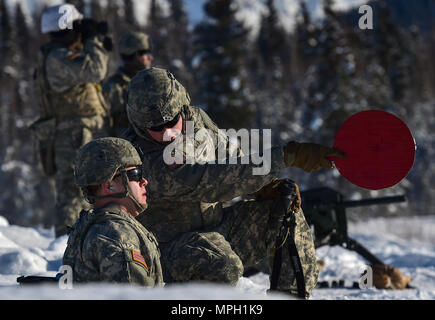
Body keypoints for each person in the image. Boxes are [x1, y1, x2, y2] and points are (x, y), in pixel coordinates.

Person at [122, 67, 347, 299]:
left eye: (172, 121)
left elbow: (232, 158)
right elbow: (210, 181)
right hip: (168, 253)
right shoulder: (138, 156)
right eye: (156, 128)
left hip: (217, 229)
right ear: (139, 125)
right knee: (221, 263)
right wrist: (285, 157)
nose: (168, 132)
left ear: (182, 106)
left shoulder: (197, 121)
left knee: (284, 208)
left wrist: (264, 187)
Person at [32, 4, 111, 237]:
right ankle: (65, 248)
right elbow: (96, 70)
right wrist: (92, 39)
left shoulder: (60, 55)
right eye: (78, 26)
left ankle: (82, 246)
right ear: (69, 28)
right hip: (72, 134)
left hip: (78, 131)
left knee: (87, 193)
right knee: (73, 193)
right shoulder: (58, 58)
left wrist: (95, 41)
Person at [62, 137, 163, 286]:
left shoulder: (90, 226)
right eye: (135, 174)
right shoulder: (117, 234)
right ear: (109, 185)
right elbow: (131, 296)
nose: (144, 181)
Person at [103, 32, 153, 137]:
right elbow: (103, 126)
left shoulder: (154, 83)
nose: (150, 58)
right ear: (132, 55)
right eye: (144, 53)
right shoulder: (113, 86)